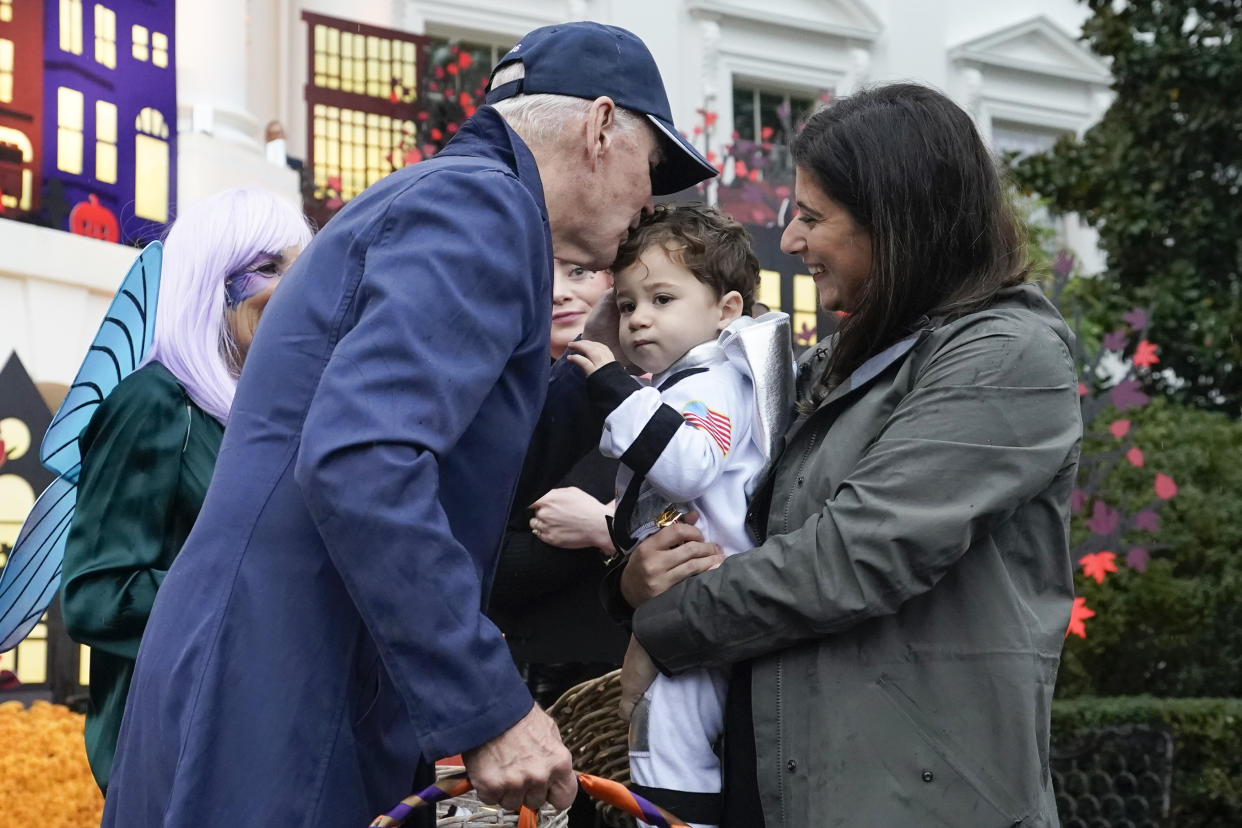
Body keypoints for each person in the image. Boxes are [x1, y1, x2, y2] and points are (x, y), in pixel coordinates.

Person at [100, 21, 716, 828]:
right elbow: (363, 459)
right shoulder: (481, 206)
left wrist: (598, 358)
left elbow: (452, 462)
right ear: (601, 127)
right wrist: (488, 705)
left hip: (269, 664)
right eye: (654, 167)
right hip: (288, 679)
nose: (650, 200)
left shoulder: (447, 199)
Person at [610, 83, 1083, 826]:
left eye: (812, 216)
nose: (791, 242)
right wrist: (639, 574)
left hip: (916, 797)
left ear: (897, 224)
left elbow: (852, 555)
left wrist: (667, 627)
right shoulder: (836, 361)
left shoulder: (1006, 354)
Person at [59, 187, 311, 793]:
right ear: (209, 279)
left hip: (268, 729)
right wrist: (261, 596)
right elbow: (96, 594)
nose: (294, 290)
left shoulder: (272, 414)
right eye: (267, 266)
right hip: (177, 746)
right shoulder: (155, 402)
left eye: (303, 271)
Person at [567, 204, 775, 828]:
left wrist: (614, 390)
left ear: (726, 310)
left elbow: (688, 464)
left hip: (706, 600)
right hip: (690, 598)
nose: (639, 320)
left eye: (662, 297)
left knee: (670, 740)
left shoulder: (713, 383)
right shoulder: (685, 381)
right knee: (660, 732)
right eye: (628, 305)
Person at [488, 258, 627, 711]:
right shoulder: (500, 412)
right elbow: (480, 561)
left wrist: (605, 527)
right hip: (524, 695)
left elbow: (710, 534)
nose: (558, 293)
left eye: (580, 272)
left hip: (637, 683)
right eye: (541, 276)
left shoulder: (682, 398)